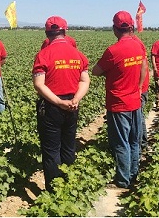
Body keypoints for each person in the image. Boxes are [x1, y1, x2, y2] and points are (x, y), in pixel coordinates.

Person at [32, 16, 90, 192]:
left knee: (51, 152)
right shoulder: (78, 54)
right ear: (65, 31)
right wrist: (75, 100)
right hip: (73, 106)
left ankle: (54, 191)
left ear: (47, 33)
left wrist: (59, 102)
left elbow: (39, 85)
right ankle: (68, 185)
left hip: (52, 107)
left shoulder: (43, 54)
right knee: (68, 146)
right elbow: (85, 81)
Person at [92, 11, 147, 189]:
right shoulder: (139, 46)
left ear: (115, 29)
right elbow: (144, 67)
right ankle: (133, 174)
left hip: (118, 103)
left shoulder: (113, 51)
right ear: (131, 27)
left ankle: (123, 180)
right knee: (133, 140)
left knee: (121, 142)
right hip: (135, 101)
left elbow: (96, 71)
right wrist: (138, 87)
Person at [130, 30, 150, 149]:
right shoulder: (137, 42)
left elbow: (143, 66)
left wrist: (139, 86)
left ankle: (140, 144)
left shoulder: (134, 44)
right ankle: (140, 142)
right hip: (140, 86)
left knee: (138, 116)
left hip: (139, 88)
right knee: (138, 115)